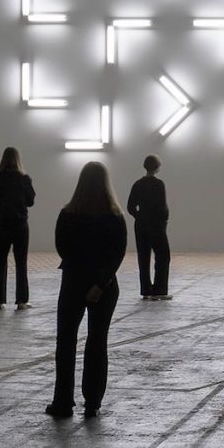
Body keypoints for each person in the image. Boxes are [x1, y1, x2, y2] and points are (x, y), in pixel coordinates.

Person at [47, 161, 128, 419]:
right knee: (96, 341)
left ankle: (62, 402)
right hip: (103, 288)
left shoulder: (68, 214)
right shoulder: (115, 217)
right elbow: (117, 254)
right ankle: (92, 402)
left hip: (73, 282)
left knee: (66, 341)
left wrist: (81, 275)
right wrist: (100, 284)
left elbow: (62, 248)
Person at [0, 145, 35, 309]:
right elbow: (31, 201)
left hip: (1, 224)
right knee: (21, 262)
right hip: (20, 225)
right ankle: (22, 300)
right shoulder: (24, 179)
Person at [127, 154, 171, 299]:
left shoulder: (137, 184)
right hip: (157, 226)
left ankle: (146, 290)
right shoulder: (159, 184)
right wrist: (163, 221)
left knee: (143, 257)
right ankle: (159, 290)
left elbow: (130, 206)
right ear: (157, 167)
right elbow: (163, 207)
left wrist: (139, 216)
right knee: (163, 256)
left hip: (141, 225)